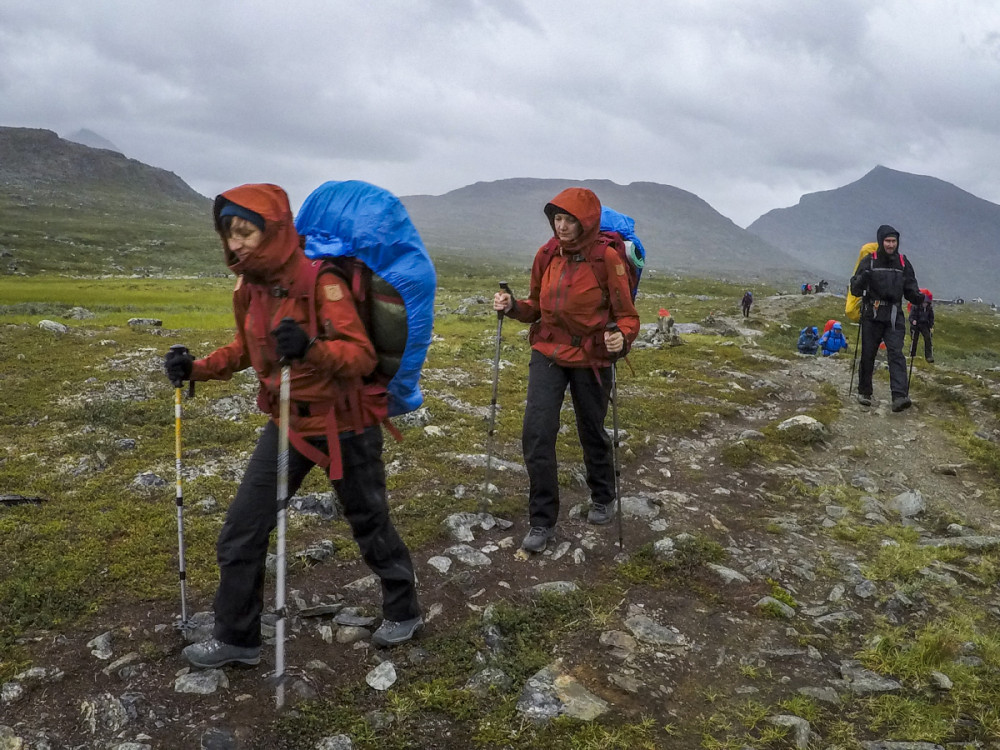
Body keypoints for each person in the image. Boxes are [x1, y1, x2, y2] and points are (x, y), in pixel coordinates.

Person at [163, 184, 422, 669]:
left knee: (369, 521)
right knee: (243, 528)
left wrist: (311, 348)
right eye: (229, 232)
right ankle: (237, 637)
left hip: (345, 424)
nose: (236, 242)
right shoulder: (250, 289)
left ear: (273, 229)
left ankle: (404, 608)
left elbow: (361, 354)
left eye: (246, 230)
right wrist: (196, 367)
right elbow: (246, 349)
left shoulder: (321, 281)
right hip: (287, 425)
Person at [492, 187, 640, 553]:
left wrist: (621, 338)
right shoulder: (546, 255)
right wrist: (512, 306)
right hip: (548, 352)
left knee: (591, 430)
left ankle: (603, 495)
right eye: (557, 219)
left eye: (569, 219)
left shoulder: (608, 259)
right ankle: (542, 521)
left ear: (586, 222)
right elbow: (535, 307)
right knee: (537, 433)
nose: (561, 226)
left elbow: (627, 317)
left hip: (591, 357)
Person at [849, 224, 925, 411]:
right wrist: (863, 278)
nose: (891, 245)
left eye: (894, 241)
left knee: (896, 353)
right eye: (887, 241)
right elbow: (855, 289)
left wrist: (918, 297)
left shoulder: (903, 262)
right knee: (868, 353)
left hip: (894, 315)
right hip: (872, 313)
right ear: (881, 241)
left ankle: (899, 396)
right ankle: (864, 392)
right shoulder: (869, 261)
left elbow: (910, 288)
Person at [908, 288, 934, 363]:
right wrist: (913, 321)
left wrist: (931, 325)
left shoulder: (929, 308)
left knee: (928, 339)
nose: (925, 304)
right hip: (916, 325)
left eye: (926, 302)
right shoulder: (915, 307)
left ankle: (929, 356)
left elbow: (931, 317)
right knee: (914, 339)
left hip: (925, 325)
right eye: (924, 302)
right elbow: (911, 317)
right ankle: (912, 355)